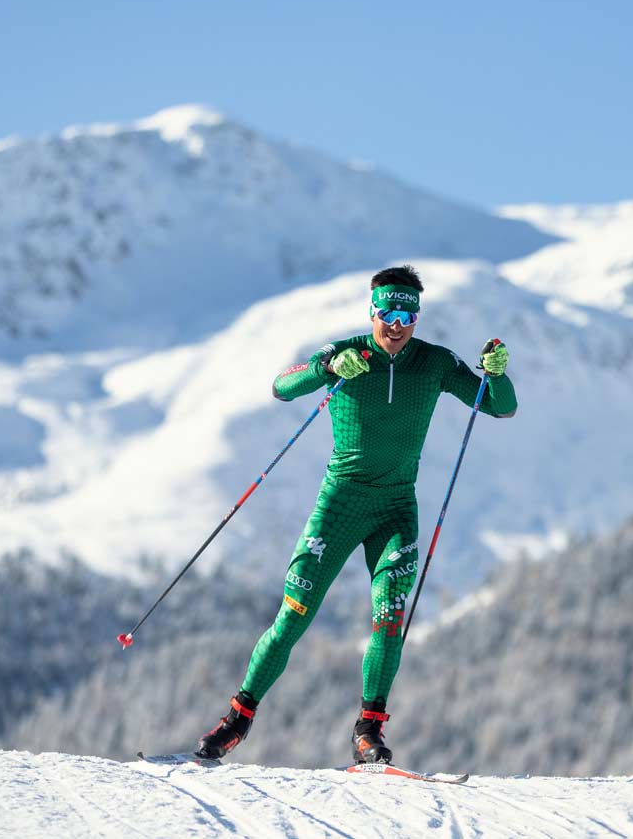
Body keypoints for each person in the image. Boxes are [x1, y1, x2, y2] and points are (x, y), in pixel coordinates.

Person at [194, 265, 517, 764]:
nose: (397, 322)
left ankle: (369, 729)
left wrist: (496, 375)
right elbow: (282, 388)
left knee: (389, 617)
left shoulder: (434, 362)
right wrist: (325, 370)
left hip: (395, 510)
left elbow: (498, 408)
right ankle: (238, 717)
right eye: (387, 310)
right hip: (340, 505)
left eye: (408, 311)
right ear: (372, 311)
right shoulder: (348, 353)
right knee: (293, 617)